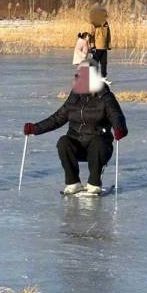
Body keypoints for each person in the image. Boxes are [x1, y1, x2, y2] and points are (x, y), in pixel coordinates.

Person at [23, 61, 127, 196]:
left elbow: (117, 116)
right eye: (77, 75)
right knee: (63, 142)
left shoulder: (106, 97)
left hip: (99, 146)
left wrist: (119, 129)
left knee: (98, 143)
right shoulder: (75, 96)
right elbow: (58, 118)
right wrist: (34, 129)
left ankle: (94, 184)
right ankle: (73, 183)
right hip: (77, 143)